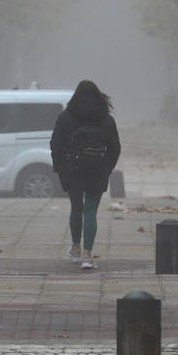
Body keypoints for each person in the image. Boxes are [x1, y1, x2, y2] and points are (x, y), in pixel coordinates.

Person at [50, 80, 122, 270]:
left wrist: (59, 167)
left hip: (73, 169)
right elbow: (115, 148)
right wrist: (107, 168)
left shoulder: (65, 117)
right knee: (90, 210)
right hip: (97, 169)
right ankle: (88, 255)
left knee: (76, 208)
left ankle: (75, 248)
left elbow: (55, 144)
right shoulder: (106, 119)